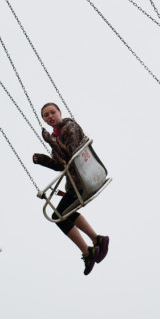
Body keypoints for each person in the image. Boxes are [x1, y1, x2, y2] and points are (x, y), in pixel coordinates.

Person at [32, 103, 110, 275]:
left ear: (60, 112)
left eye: (53, 112)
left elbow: (71, 153)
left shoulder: (70, 127)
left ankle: (88, 250)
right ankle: (97, 240)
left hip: (84, 178)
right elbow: (60, 165)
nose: (50, 116)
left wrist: (51, 141)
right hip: (76, 182)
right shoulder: (56, 136)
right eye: (46, 115)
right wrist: (43, 159)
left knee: (58, 216)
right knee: (65, 213)